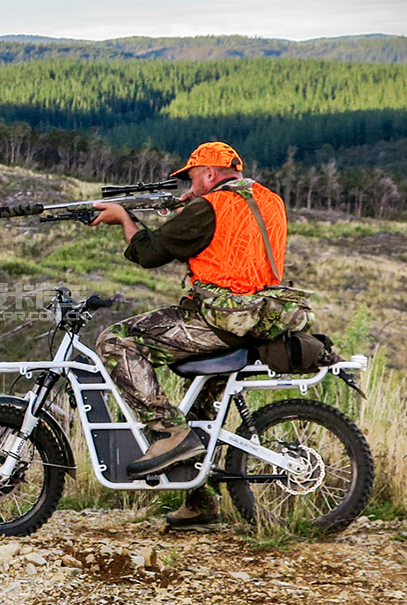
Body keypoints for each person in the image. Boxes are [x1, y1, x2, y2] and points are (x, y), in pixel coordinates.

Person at [89, 141, 287, 527]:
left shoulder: (208, 207)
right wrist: (186, 209)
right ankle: (201, 502)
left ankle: (168, 431)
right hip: (261, 318)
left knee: (115, 341)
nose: (190, 185)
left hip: (222, 320)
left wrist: (125, 221)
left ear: (211, 174)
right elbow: (229, 245)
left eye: (193, 177)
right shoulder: (268, 200)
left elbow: (149, 253)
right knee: (200, 412)